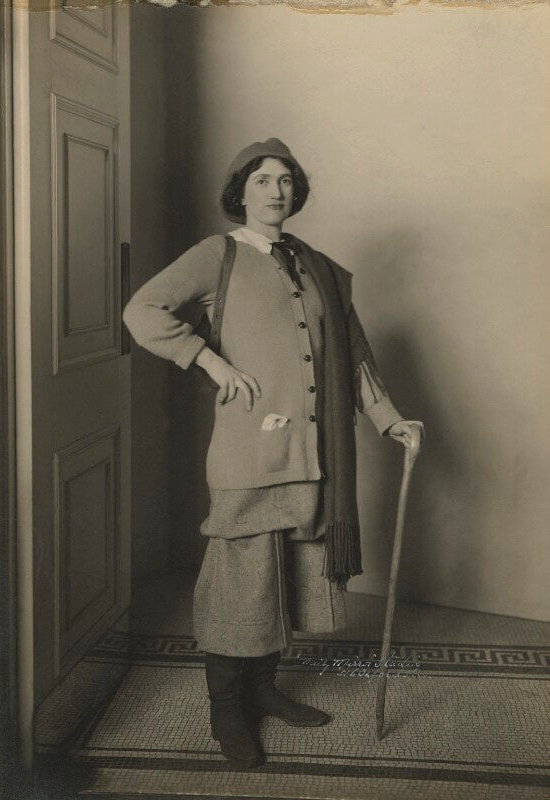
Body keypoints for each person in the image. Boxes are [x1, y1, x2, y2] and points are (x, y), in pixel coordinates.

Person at [122, 137, 424, 768]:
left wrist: (389, 420)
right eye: (262, 180)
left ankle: (263, 690)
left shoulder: (318, 269)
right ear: (240, 191)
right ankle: (226, 710)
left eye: (285, 180)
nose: (276, 191)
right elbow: (141, 310)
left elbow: (354, 357)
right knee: (240, 587)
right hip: (249, 451)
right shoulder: (218, 255)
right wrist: (207, 359)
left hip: (313, 453)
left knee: (287, 576)